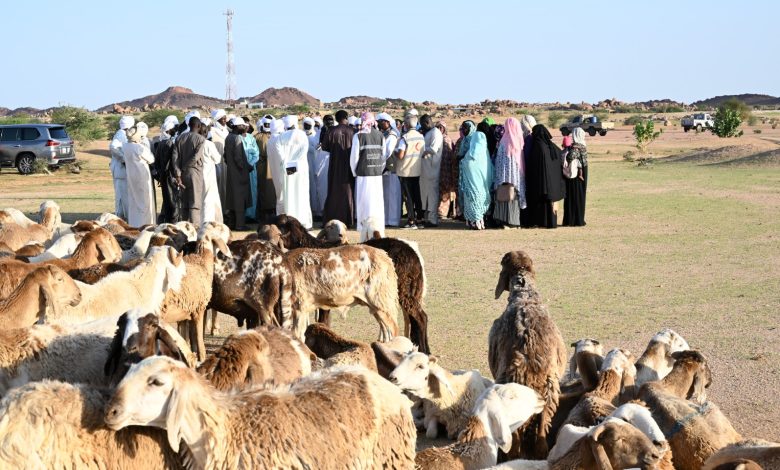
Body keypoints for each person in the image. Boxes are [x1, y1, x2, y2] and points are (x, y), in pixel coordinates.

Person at [268, 115, 313, 228]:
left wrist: (286, 162)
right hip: (299, 168)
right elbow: (303, 151)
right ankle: (303, 221)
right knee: (301, 193)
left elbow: (279, 150)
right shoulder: (301, 134)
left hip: (287, 169)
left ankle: (290, 219)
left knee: (289, 193)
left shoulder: (281, 136)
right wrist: (294, 163)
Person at [349, 112, 385, 236]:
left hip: (363, 174)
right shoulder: (380, 135)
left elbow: (354, 158)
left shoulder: (358, 136)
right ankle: (378, 226)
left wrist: (355, 172)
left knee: (363, 201)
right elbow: (383, 156)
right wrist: (379, 168)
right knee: (376, 201)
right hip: (377, 174)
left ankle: (363, 226)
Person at [525, 124, 565, 229]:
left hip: (540, 181)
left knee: (541, 203)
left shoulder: (538, 145)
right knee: (549, 203)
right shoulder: (551, 146)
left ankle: (541, 222)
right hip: (552, 183)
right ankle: (550, 222)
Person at [171, 117, 207, 227]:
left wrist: (178, 174)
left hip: (182, 174)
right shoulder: (200, 139)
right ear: (199, 126)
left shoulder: (179, 138)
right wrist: (185, 167)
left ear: (189, 125)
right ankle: (195, 229)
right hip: (194, 172)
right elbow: (196, 157)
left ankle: (184, 228)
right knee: (195, 204)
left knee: (185, 204)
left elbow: (174, 158)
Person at [321, 110, 355, 228]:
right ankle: (349, 219)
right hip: (350, 166)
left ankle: (332, 218)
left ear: (336, 119)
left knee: (333, 191)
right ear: (346, 118)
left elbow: (324, 147)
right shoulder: (353, 131)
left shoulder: (331, 131)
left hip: (335, 165)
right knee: (348, 191)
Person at [492, 117, 527, 228]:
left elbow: (500, 161)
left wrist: (502, 177)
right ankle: (514, 222)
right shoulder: (519, 140)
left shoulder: (503, 141)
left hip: (504, 177)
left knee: (506, 197)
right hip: (517, 177)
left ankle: (505, 222)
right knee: (514, 197)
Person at [459, 124, 493, 230]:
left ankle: (475, 221)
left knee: (473, 199)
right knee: (474, 199)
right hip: (479, 185)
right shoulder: (484, 153)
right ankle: (476, 222)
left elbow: (465, 163)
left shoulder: (473, 153)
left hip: (474, 184)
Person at [395, 112, 424, 229]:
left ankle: (411, 221)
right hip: (416, 170)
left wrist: (394, 151)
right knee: (417, 196)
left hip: (405, 171)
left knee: (408, 197)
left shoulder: (404, 138)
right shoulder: (421, 136)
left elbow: (401, 155)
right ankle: (420, 220)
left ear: (406, 125)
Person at [122, 122, 156, 227]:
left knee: (133, 200)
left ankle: (134, 224)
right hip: (141, 177)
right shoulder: (139, 148)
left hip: (131, 177)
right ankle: (146, 225)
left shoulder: (125, 146)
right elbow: (151, 159)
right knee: (145, 203)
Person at [223, 117, 253, 230]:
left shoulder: (228, 137)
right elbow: (238, 158)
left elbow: (225, 156)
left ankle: (233, 223)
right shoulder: (237, 139)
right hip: (239, 174)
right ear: (236, 127)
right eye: (242, 125)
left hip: (232, 173)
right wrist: (244, 169)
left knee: (234, 199)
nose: (244, 127)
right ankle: (240, 225)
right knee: (240, 199)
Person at [152, 117, 180, 223]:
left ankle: (167, 221)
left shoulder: (161, 143)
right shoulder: (169, 144)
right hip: (170, 176)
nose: (175, 130)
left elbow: (157, 162)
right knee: (173, 201)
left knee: (167, 200)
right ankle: (173, 223)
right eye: (173, 129)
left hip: (163, 176)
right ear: (168, 131)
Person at [377, 113, 401, 227]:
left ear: (387, 122)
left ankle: (393, 220)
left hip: (391, 168)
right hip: (384, 168)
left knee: (392, 194)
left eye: (381, 121)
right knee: (386, 195)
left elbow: (387, 152)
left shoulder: (392, 135)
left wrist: (379, 164)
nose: (379, 124)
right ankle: (386, 219)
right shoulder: (384, 134)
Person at [196, 122, 223, 224]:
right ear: (206, 132)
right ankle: (207, 224)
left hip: (196, 174)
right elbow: (217, 159)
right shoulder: (208, 144)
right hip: (208, 175)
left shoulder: (193, 142)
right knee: (208, 200)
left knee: (199, 200)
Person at [419, 114, 443, 227]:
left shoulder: (435, 133)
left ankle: (433, 220)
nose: (422, 127)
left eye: (423, 125)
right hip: (425, 170)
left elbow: (433, 149)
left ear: (427, 123)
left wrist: (421, 150)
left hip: (432, 169)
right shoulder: (428, 132)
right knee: (426, 195)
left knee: (432, 195)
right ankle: (427, 218)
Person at [109, 115, 134, 219]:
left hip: (121, 171)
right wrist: (123, 159)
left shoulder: (122, 134)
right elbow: (113, 147)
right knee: (121, 198)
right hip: (120, 171)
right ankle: (121, 219)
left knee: (124, 197)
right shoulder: (121, 134)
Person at [253, 114, 277, 224]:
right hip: (265, 166)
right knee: (265, 189)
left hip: (266, 166)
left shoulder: (259, 136)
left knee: (267, 189)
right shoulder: (262, 137)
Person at [562, 127, 588, 227]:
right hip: (583, 172)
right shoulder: (583, 146)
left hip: (575, 175)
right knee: (580, 196)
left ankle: (571, 220)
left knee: (572, 196)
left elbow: (570, 157)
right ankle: (579, 218)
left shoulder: (575, 147)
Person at [436, 121, 458, 220]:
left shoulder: (447, 139)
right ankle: (438, 212)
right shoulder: (435, 139)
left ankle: (444, 212)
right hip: (436, 169)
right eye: (438, 127)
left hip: (447, 169)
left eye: (442, 128)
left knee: (446, 191)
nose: (440, 130)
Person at [241, 121, 260, 223]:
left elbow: (256, 153)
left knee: (252, 191)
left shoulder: (251, 138)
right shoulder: (236, 137)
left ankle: (251, 215)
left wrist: (250, 164)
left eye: (247, 126)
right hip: (240, 169)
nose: (245, 127)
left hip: (251, 169)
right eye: (243, 125)